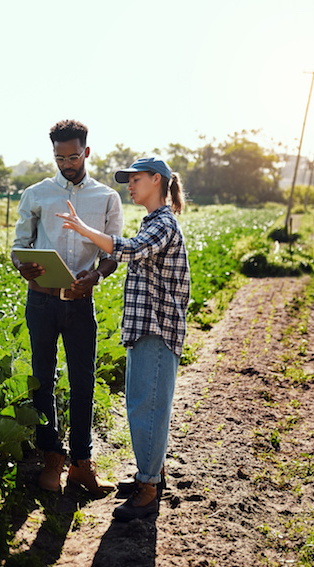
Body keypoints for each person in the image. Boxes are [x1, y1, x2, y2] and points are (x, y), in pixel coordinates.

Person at [56, 156, 191, 521]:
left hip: (157, 329)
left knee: (147, 408)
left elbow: (128, 250)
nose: (129, 185)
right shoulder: (154, 222)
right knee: (143, 405)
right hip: (145, 328)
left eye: (136, 179)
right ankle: (151, 475)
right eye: (126, 180)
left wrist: (84, 229)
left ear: (158, 181)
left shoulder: (163, 223)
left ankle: (148, 488)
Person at [11, 119, 124, 496]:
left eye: (73, 156)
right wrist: (23, 265)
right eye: (60, 157)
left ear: (87, 152)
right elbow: (19, 246)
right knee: (43, 379)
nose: (66, 163)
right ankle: (51, 460)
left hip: (80, 303)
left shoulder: (106, 197)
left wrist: (96, 276)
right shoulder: (36, 194)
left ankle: (81, 463)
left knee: (83, 382)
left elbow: (113, 251)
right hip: (41, 302)